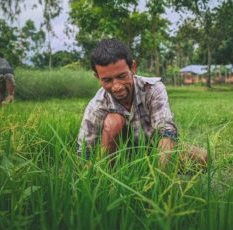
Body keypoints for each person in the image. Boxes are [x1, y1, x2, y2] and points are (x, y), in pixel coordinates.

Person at [78, 38, 207, 168]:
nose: (117, 86)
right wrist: (94, 174)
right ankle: (113, 174)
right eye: (107, 80)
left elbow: (166, 131)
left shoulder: (153, 89)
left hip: (155, 150)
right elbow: (84, 152)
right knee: (114, 122)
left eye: (122, 76)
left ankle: (153, 170)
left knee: (204, 158)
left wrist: (160, 179)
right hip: (118, 159)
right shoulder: (96, 106)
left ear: (133, 68)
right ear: (97, 77)